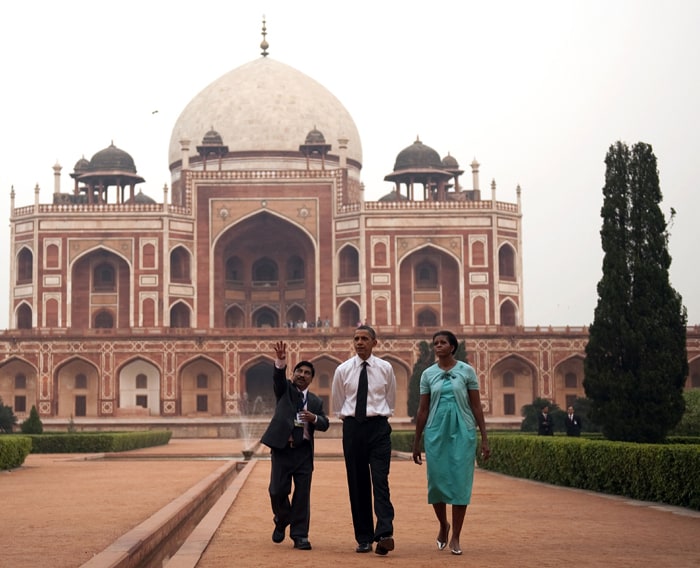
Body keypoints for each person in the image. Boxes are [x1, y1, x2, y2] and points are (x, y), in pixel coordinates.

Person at [411, 330, 490, 556]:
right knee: (436, 481)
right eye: (435, 343)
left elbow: (476, 406)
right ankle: (443, 524)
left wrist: (484, 437)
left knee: (459, 482)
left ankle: (456, 535)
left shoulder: (467, 371)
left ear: (452, 347)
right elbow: (422, 409)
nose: (438, 346)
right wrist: (416, 441)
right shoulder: (428, 374)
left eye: (442, 343)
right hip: (436, 430)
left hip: (463, 429)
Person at [331, 325, 397, 555]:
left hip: (378, 427)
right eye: (356, 339)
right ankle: (364, 537)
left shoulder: (386, 368)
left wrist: (377, 416)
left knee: (380, 480)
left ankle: (385, 532)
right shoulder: (343, 369)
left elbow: (391, 400)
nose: (359, 342)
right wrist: (353, 422)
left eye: (364, 338)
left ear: (374, 343)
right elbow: (338, 403)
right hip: (353, 428)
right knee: (357, 484)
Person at [260, 341, 330, 550]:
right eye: (299, 370)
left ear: (311, 378)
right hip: (282, 449)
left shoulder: (316, 402)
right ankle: (282, 520)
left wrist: (314, 418)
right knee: (276, 491)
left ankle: (300, 535)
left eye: (306, 372)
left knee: (302, 495)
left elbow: (325, 423)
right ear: (294, 373)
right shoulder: (285, 391)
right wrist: (280, 361)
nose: (301, 374)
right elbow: (278, 379)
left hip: (303, 452)